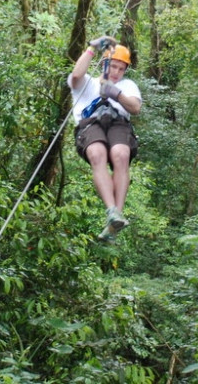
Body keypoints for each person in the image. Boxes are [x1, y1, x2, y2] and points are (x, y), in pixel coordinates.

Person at [68, 36, 142, 243]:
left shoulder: (127, 86)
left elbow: (135, 108)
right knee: (96, 152)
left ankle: (117, 215)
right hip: (90, 122)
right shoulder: (87, 83)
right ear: (104, 65)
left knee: (120, 154)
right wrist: (92, 47)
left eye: (121, 68)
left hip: (118, 122)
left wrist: (116, 94)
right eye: (113, 67)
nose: (117, 72)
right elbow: (75, 75)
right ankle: (111, 210)